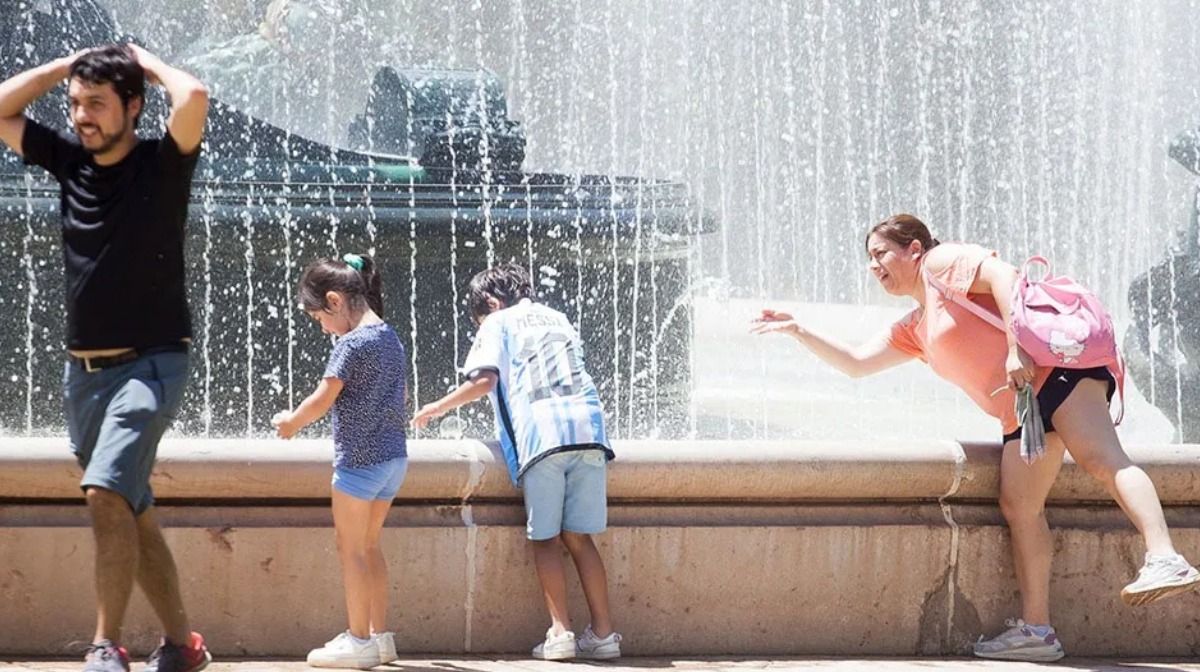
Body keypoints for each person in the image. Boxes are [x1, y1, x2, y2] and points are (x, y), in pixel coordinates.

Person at [752, 214, 1200, 663]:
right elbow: (856, 363)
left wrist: (1016, 348)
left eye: (881, 253)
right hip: (1024, 411)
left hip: (1056, 370)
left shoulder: (940, 263)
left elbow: (1006, 278)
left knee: (1103, 460)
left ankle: (1164, 556)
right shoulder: (915, 326)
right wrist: (799, 330)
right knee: (1019, 506)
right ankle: (1038, 632)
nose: (874, 265)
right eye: (868, 258)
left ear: (913, 249)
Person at [0, 44, 210, 672]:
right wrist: (64, 68)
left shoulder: (162, 165)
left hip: (153, 364)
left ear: (134, 106)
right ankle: (182, 646)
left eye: (96, 103)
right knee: (131, 508)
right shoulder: (69, 162)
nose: (81, 116)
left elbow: (193, 97)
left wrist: (144, 59)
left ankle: (103, 645)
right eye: (75, 105)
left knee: (102, 493)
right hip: (83, 376)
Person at [411, 262, 622, 660]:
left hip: (542, 437)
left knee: (544, 538)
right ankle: (605, 634)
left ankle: (560, 632)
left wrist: (437, 407)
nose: (479, 326)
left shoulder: (498, 321)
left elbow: (485, 381)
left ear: (491, 302)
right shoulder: (557, 317)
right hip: (590, 431)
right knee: (580, 537)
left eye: (478, 319)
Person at [272, 253, 408, 669]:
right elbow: (401, 398)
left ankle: (358, 640)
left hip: (359, 464)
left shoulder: (350, 344)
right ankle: (381, 638)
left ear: (334, 300)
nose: (322, 327)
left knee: (350, 550)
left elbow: (323, 397)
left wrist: (291, 422)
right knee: (369, 546)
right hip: (392, 460)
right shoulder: (389, 336)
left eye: (319, 318)